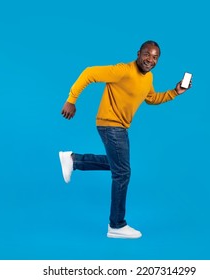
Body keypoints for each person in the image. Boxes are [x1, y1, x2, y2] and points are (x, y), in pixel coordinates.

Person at [59, 40, 192, 239]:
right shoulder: (123, 70)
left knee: (119, 166)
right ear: (139, 53)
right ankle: (116, 225)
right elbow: (89, 73)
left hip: (119, 126)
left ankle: (73, 160)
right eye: (147, 54)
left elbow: (151, 98)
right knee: (122, 172)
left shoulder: (148, 78)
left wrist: (175, 92)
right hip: (110, 123)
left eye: (155, 57)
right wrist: (71, 100)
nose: (150, 60)